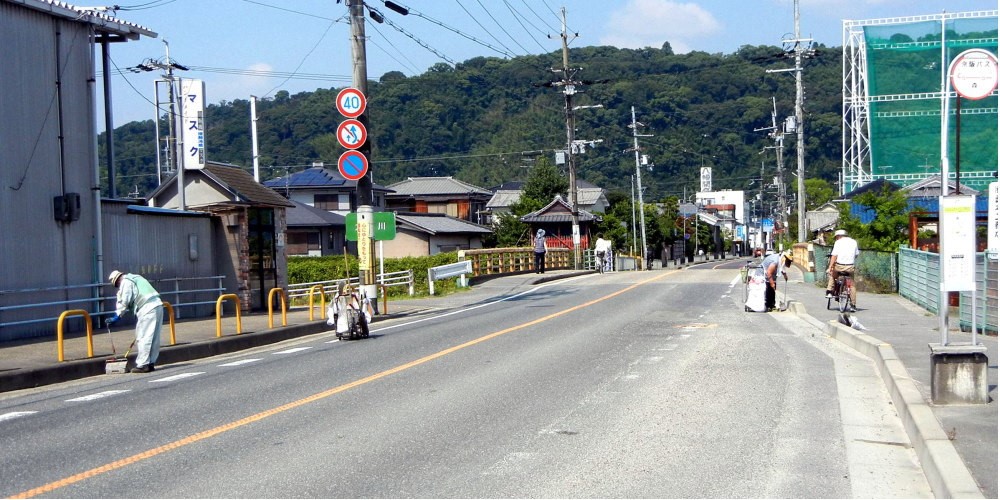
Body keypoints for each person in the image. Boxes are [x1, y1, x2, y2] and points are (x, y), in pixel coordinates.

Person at [106, 270, 164, 373]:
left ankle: (143, 365)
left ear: (117, 281)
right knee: (154, 337)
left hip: (147, 308)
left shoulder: (126, 281)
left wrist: (117, 315)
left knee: (143, 337)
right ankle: (151, 363)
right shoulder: (136, 277)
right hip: (158, 305)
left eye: (117, 285)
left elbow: (124, 300)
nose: (118, 286)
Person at [826, 229, 859, 309]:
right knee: (852, 285)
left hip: (840, 266)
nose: (836, 239)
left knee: (833, 274)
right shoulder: (854, 242)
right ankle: (853, 305)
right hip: (850, 267)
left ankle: (829, 291)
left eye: (836, 237)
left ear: (839, 236)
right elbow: (856, 254)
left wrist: (830, 267)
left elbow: (834, 256)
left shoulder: (838, 242)